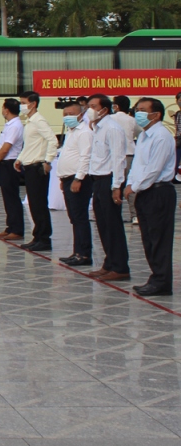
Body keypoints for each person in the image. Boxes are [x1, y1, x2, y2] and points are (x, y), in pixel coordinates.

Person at [124, 97, 176, 296]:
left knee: (159, 238)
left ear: (156, 114)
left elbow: (154, 169)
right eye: (137, 109)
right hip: (145, 191)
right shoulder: (145, 135)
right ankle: (156, 277)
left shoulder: (161, 136)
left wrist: (134, 187)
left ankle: (162, 282)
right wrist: (131, 183)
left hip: (158, 191)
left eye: (143, 110)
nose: (139, 113)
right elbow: (139, 165)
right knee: (149, 238)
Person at [86, 94, 130, 281]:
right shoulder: (98, 127)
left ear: (105, 108)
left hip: (109, 179)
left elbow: (118, 158)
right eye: (89, 106)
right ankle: (109, 262)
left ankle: (120, 267)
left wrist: (116, 186)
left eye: (94, 106)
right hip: (98, 179)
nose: (90, 110)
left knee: (112, 224)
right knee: (102, 224)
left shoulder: (112, 128)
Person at [15, 90, 56, 253]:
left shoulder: (39, 121)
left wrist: (48, 160)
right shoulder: (30, 122)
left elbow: (52, 140)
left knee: (39, 204)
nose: (21, 105)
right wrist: (20, 159)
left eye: (24, 102)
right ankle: (37, 236)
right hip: (29, 165)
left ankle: (45, 238)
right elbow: (30, 145)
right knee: (33, 203)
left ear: (33, 104)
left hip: (38, 166)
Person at [55, 100, 94, 267]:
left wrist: (78, 178)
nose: (68, 117)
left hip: (78, 179)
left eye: (71, 114)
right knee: (74, 217)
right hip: (68, 178)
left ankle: (84, 254)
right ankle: (77, 251)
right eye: (65, 115)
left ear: (81, 114)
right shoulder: (71, 131)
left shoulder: (84, 132)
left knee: (80, 217)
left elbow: (85, 157)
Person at [0, 98, 25, 242]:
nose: (2, 111)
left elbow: (6, 148)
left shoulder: (15, 125)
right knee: (7, 197)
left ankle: (17, 229)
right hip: (3, 163)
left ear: (7, 110)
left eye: (3, 108)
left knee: (12, 197)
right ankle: (10, 226)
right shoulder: (9, 124)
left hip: (10, 163)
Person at [111, 95, 141, 226]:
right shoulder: (132, 120)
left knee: (114, 185)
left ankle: (113, 214)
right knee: (130, 186)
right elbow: (139, 134)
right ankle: (135, 215)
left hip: (113, 156)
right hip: (129, 154)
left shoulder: (109, 119)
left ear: (116, 106)